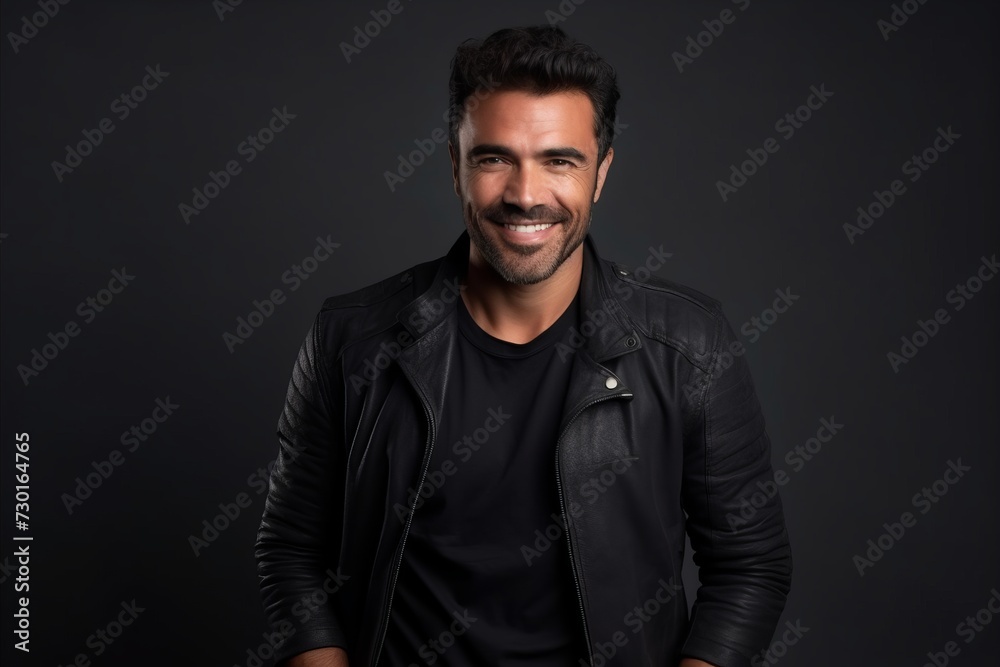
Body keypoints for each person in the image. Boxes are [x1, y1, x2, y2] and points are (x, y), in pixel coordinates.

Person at [256, 25, 791, 667]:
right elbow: (290, 547)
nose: (526, 194)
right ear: (454, 166)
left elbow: (749, 568)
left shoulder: (690, 345)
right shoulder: (350, 336)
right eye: (494, 158)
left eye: (559, 160)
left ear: (601, 173)